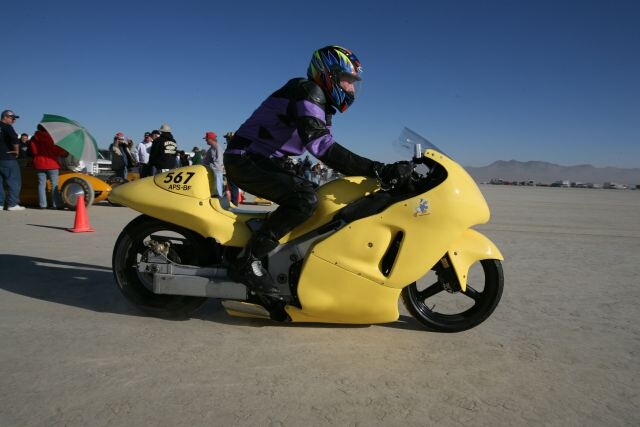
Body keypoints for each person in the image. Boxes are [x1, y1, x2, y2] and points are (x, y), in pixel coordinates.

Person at [223, 45, 411, 295]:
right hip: (244, 158)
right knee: (304, 199)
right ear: (327, 74)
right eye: (347, 80)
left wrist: (373, 172)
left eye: (353, 83)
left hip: (263, 160)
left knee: (318, 198)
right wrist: (379, 169)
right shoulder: (307, 91)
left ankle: (279, 253)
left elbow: (327, 146)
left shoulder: (322, 105)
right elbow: (321, 145)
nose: (351, 88)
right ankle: (247, 260)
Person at [29, 125, 68, 209]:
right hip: (52, 163)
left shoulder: (34, 139)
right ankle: (56, 204)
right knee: (54, 185)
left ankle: (42, 205)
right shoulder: (52, 138)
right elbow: (57, 151)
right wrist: (64, 153)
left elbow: (34, 152)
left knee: (41, 184)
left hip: (39, 163)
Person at [0, 109, 25, 211]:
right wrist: (16, 151)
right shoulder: (7, 127)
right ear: (5, 117)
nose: (13, 120)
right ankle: (12, 204)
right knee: (14, 180)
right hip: (7, 157)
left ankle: (0, 204)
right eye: (12, 118)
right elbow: (15, 139)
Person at [202, 131, 225, 197]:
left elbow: (219, 162)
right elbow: (205, 161)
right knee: (214, 189)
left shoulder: (217, 147)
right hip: (213, 171)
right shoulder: (211, 148)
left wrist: (210, 166)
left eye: (206, 139)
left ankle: (219, 199)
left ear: (210, 139)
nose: (206, 141)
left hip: (217, 171)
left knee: (218, 189)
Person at [223, 132, 240, 205]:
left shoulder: (234, 147)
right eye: (227, 138)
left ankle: (234, 202)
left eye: (228, 138)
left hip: (233, 169)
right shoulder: (231, 146)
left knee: (233, 186)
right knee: (232, 186)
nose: (227, 140)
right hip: (230, 169)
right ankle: (234, 202)